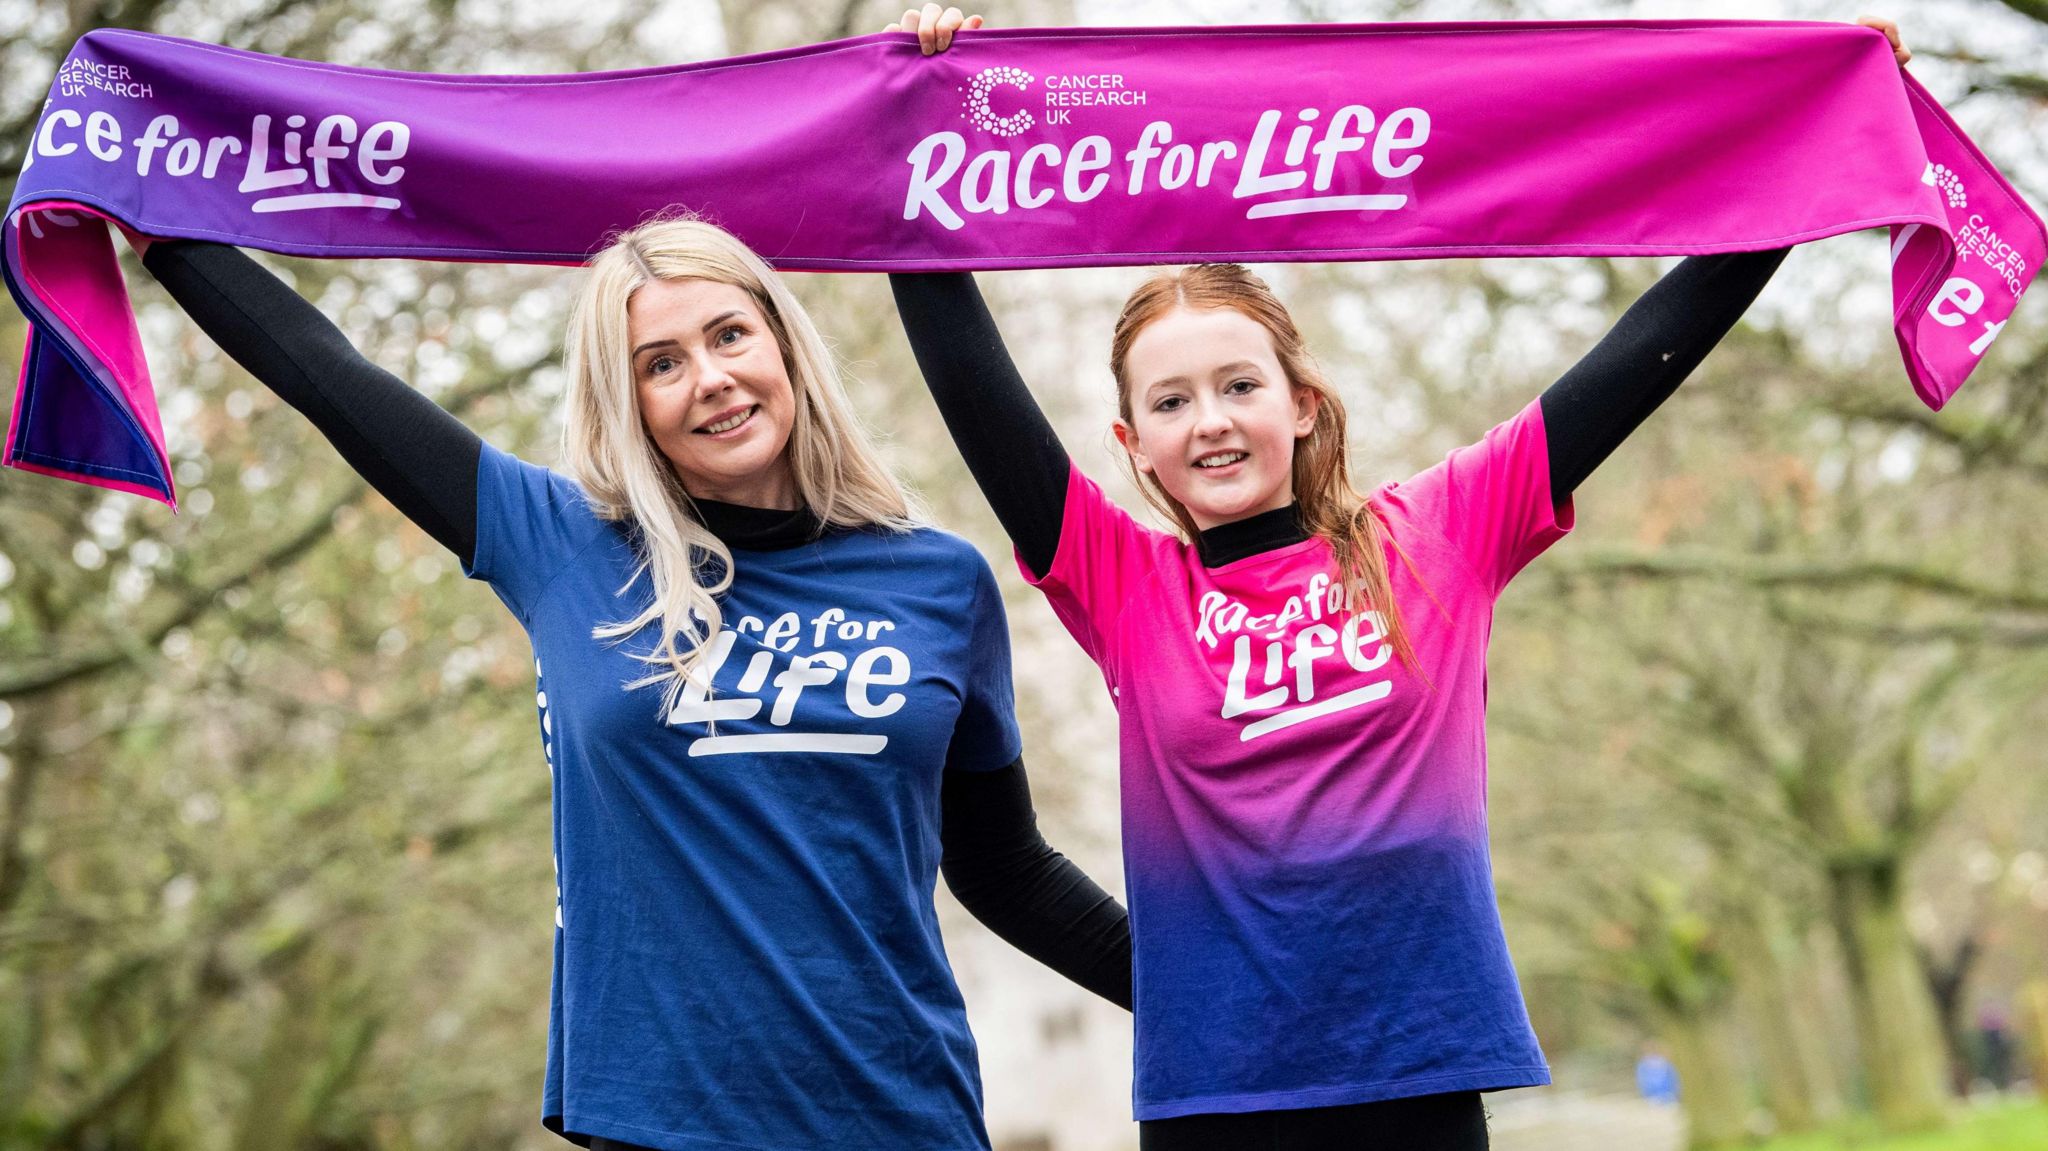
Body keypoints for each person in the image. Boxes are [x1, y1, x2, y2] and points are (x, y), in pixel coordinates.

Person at [885, 9, 1908, 1148]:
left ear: (1300, 402)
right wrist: (923, 112)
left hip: (1422, 1082)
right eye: (1169, 402)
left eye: (1237, 384)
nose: (1209, 421)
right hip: (1217, 1105)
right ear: (1131, 447)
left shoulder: (1442, 533)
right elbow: (972, 386)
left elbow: (1643, 354)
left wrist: (1814, 129)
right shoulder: (1122, 585)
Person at [132, 214, 1131, 1150]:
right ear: (628, 402)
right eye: (661, 362)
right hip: (660, 1119)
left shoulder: (938, 578)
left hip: (903, 1110)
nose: (710, 378)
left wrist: (1245, 1003)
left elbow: (1006, 870)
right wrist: (168, 236)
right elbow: (331, 376)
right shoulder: (562, 547)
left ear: (783, 344)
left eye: (729, 334)